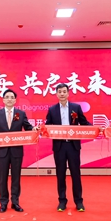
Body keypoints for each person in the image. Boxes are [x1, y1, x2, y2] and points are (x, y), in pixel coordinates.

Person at [0, 89, 35, 213]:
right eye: (7, 97)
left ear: (15, 100)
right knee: (2, 178)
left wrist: (34, 129)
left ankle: (15, 202)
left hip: (16, 151)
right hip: (2, 152)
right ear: (3, 100)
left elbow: (28, 127)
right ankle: (3, 203)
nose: (9, 99)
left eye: (12, 97)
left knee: (16, 178)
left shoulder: (21, 113)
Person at [45, 83, 91, 212]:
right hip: (59, 147)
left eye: (64, 91)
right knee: (60, 175)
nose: (62, 94)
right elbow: (48, 125)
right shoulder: (52, 109)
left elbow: (84, 122)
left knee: (76, 174)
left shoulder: (76, 108)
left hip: (73, 146)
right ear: (56, 94)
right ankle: (62, 201)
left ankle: (79, 201)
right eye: (59, 92)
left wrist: (95, 128)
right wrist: (41, 129)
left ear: (68, 93)